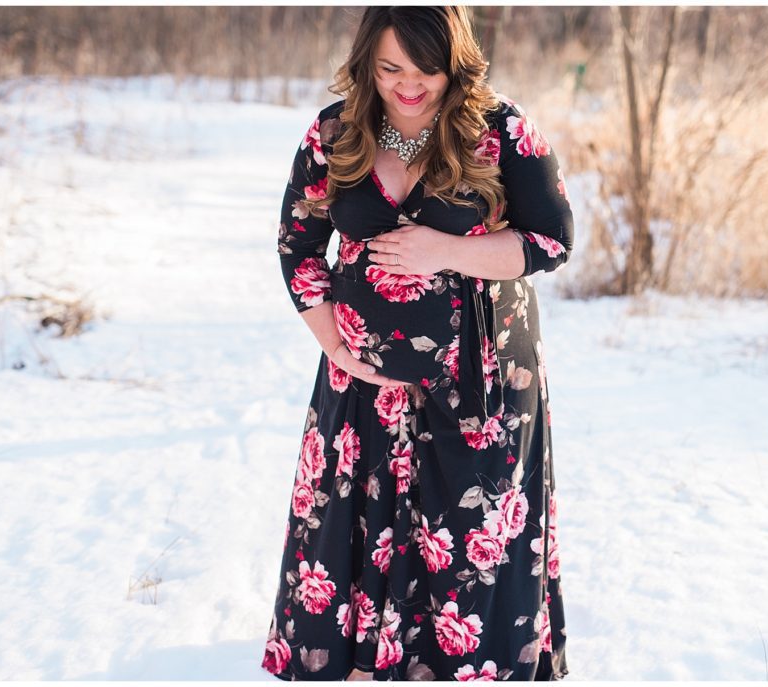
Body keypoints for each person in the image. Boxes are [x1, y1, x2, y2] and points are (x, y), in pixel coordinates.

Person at [261, 6, 573, 681]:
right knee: (358, 532)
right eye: (390, 68)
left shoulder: (500, 130)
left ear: (454, 61)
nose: (408, 86)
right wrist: (338, 349)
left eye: (426, 70)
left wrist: (446, 249)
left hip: (480, 378)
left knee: (468, 542)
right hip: (364, 388)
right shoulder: (335, 133)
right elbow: (298, 245)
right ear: (366, 62)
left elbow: (551, 240)